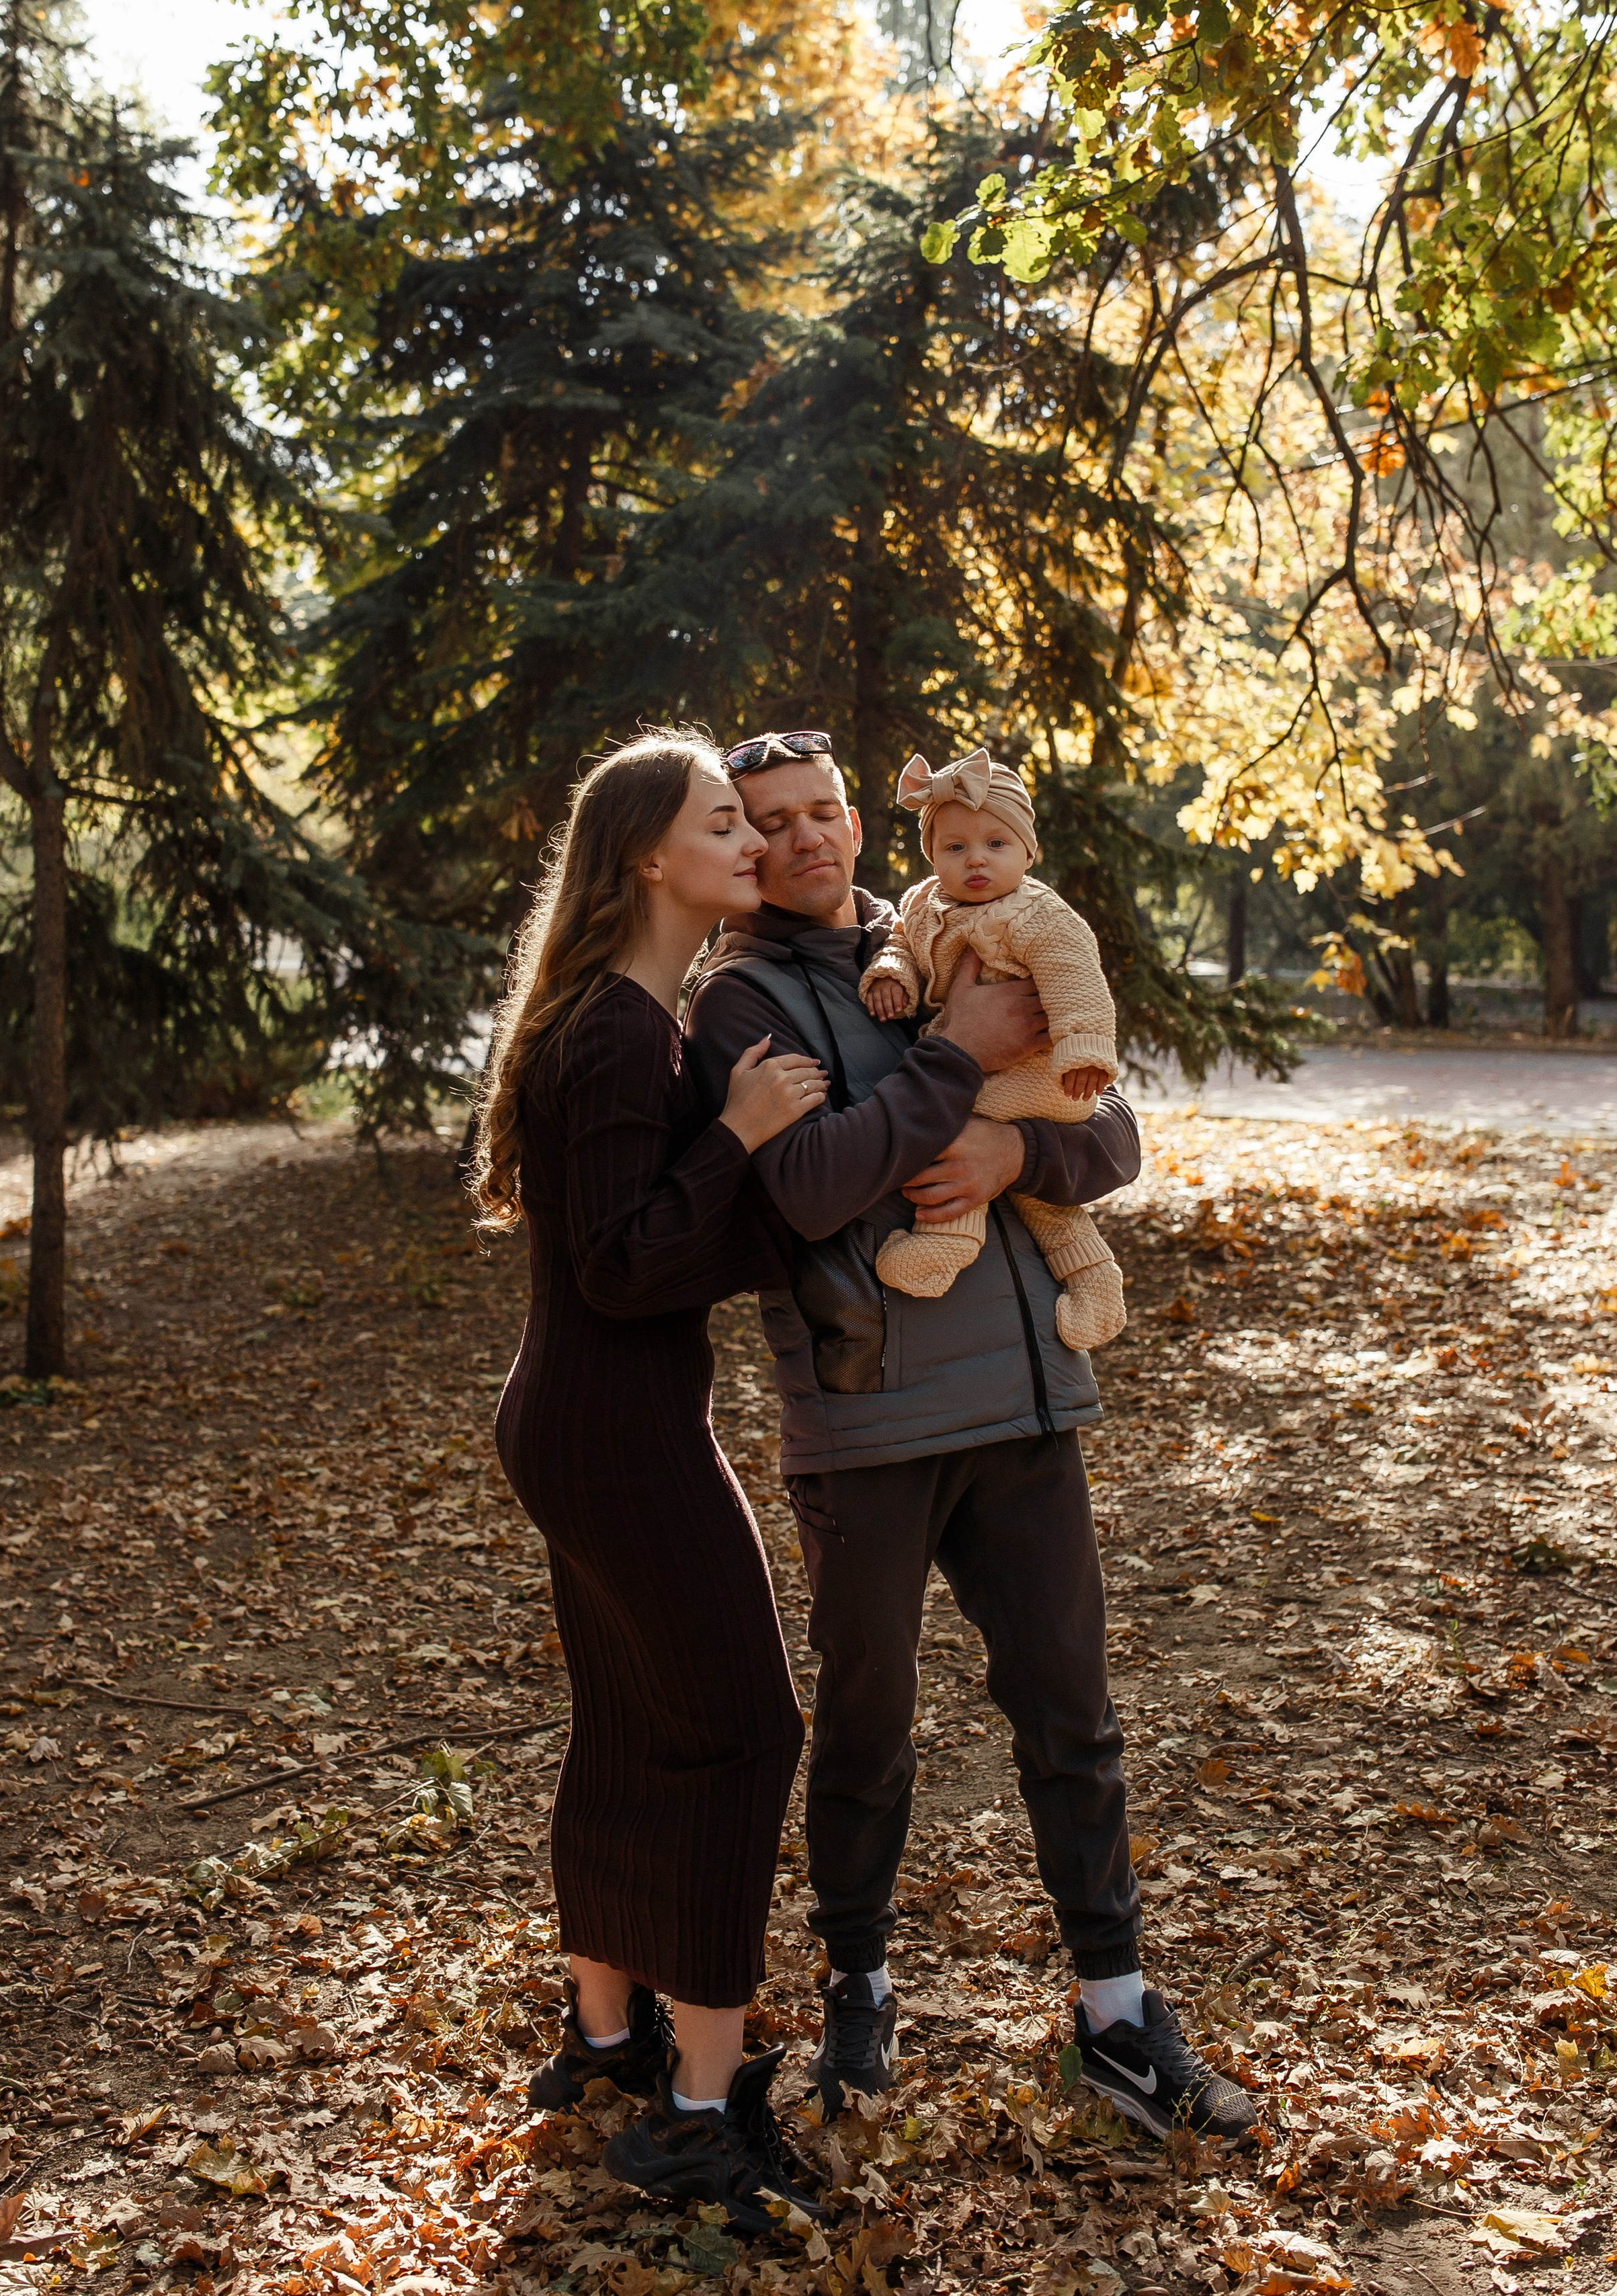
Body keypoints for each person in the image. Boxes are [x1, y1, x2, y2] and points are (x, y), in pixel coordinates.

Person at [682, 729, 1255, 2144]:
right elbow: (810, 1190)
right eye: (773, 823)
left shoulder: (963, 922)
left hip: (1021, 1406)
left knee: (1071, 1718)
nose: (808, 838)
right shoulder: (734, 1002)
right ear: (742, 849)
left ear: (858, 822)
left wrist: (1015, 1152)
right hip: (865, 1424)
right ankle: (857, 1985)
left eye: (825, 810)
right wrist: (950, 1063)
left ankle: (1117, 2016)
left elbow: (1105, 1133)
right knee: (867, 1732)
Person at [472, 727, 829, 2232]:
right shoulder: (620, 1032)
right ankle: (694, 2109)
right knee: (742, 1730)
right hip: (614, 1428)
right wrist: (745, 1134)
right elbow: (628, 1266)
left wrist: (770, 1164)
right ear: (645, 856)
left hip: (582, 1419)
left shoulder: (625, 1018)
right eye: (721, 825)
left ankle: (605, 2041)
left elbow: (661, 1242)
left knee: (631, 1722)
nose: (751, 845)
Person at [862, 743, 1126, 1350]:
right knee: (1043, 1201)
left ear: (1028, 852)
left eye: (996, 845)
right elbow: (902, 942)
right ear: (932, 856)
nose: (975, 859)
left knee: (951, 1119)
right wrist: (891, 973)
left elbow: (1074, 974)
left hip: (1045, 1073)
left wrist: (1083, 1045)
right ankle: (1093, 1279)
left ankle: (949, 1239)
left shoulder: (1035, 913)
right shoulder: (924, 904)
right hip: (994, 1071)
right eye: (955, 848)